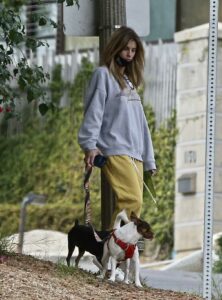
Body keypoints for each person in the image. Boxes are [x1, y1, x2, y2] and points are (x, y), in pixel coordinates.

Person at [78, 26, 156, 227]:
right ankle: (114, 250)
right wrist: (89, 145)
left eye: (133, 50)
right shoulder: (103, 75)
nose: (129, 54)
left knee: (133, 210)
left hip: (134, 153)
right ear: (115, 49)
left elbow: (141, 125)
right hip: (115, 149)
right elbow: (94, 111)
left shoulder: (130, 84)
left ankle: (116, 255)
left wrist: (148, 159)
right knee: (132, 201)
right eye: (125, 49)